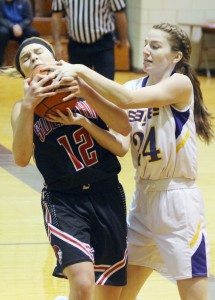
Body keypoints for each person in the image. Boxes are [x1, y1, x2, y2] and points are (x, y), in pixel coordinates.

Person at [49, 22, 214, 300]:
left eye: (156, 46)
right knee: (118, 294)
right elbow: (121, 145)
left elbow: (127, 100)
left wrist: (79, 69)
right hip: (143, 202)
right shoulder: (132, 85)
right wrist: (82, 119)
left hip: (178, 203)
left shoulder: (180, 84)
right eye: (146, 44)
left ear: (176, 57)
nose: (147, 50)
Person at [10, 37, 132, 300]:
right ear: (24, 75)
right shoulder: (22, 108)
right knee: (83, 283)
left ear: (55, 59)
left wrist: (84, 94)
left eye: (38, 52)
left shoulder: (86, 88)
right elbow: (21, 158)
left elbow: (123, 129)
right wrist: (30, 105)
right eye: (25, 58)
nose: (33, 58)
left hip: (107, 194)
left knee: (111, 292)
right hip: (63, 200)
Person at [51, 0, 129, 80]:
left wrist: (123, 39)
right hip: (76, 45)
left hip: (103, 44)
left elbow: (119, 13)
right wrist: (57, 42)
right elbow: (57, 14)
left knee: (105, 82)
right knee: (78, 85)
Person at [0, 0, 39, 69]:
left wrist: (20, 26)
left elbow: (29, 18)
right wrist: (11, 26)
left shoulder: (25, 1)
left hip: (21, 28)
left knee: (33, 33)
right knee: (1, 32)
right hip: (5, 27)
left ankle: (32, 63)